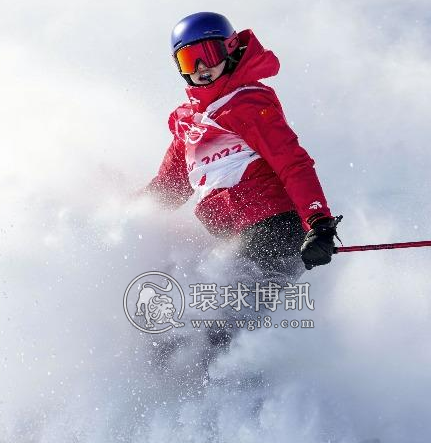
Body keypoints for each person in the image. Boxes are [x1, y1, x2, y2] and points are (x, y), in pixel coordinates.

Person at [145, 11, 340, 286]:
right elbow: (168, 189)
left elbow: (292, 163)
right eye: (189, 59)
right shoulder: (188, 125)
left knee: (222, 319)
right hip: (233, 238)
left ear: (230, 48)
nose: (201, 66)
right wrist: (124, 215)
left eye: (208, 54)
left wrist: (319, 223)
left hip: (274, 229)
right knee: (179, 300)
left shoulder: (247, 104)